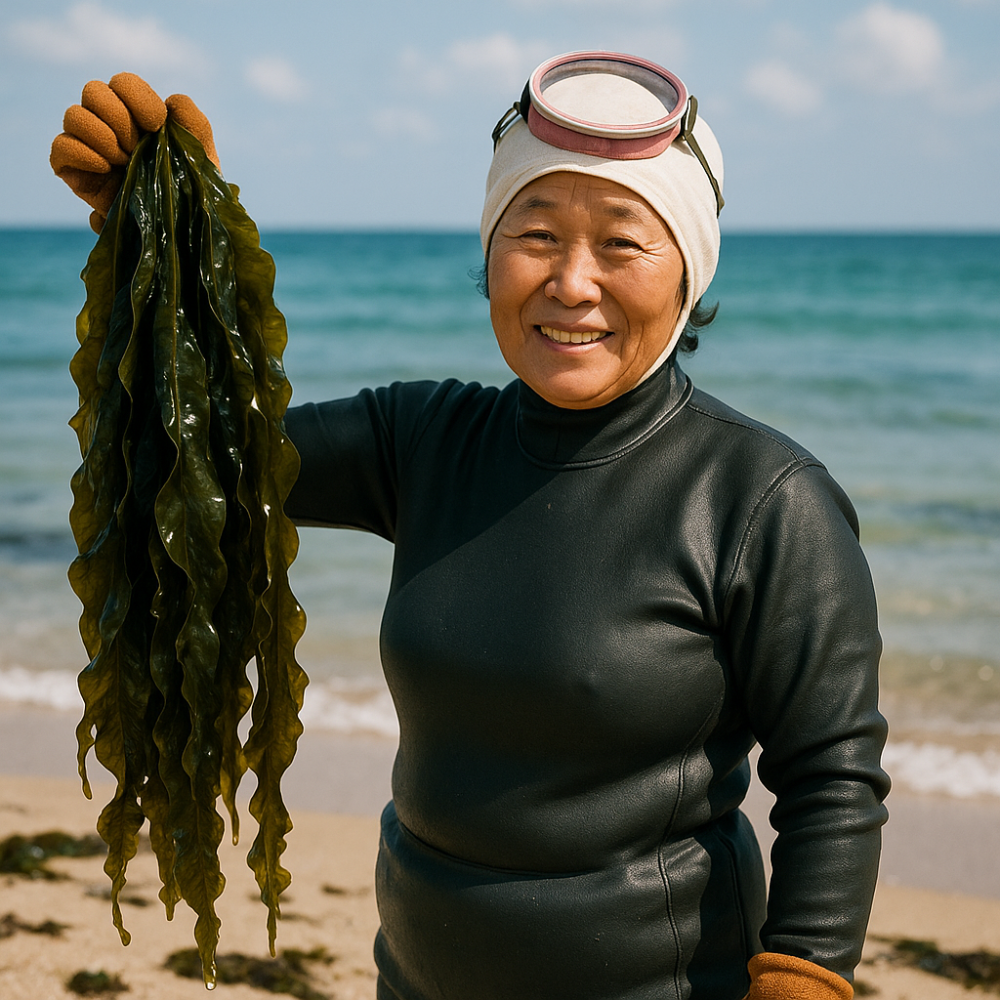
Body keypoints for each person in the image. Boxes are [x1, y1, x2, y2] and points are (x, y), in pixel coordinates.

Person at [52, 54, 889, 1000]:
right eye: (536, 234)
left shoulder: (764, 497)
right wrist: (162, 231)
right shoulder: (423, 441)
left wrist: (804, 980)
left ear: (688, 274)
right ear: (491, 254)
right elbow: (199, 456)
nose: (572, 282)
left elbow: (832, 775)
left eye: (622, 243)